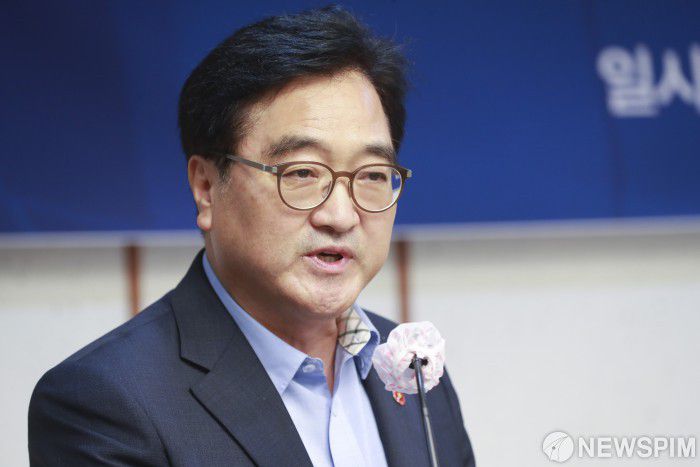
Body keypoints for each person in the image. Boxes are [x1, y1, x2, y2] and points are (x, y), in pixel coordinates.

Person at [28, 6, 475, 466]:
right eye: (301, 172)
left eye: (373, 174)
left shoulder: (410, 367)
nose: (341, 216)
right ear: (206, 187)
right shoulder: (105, 404)